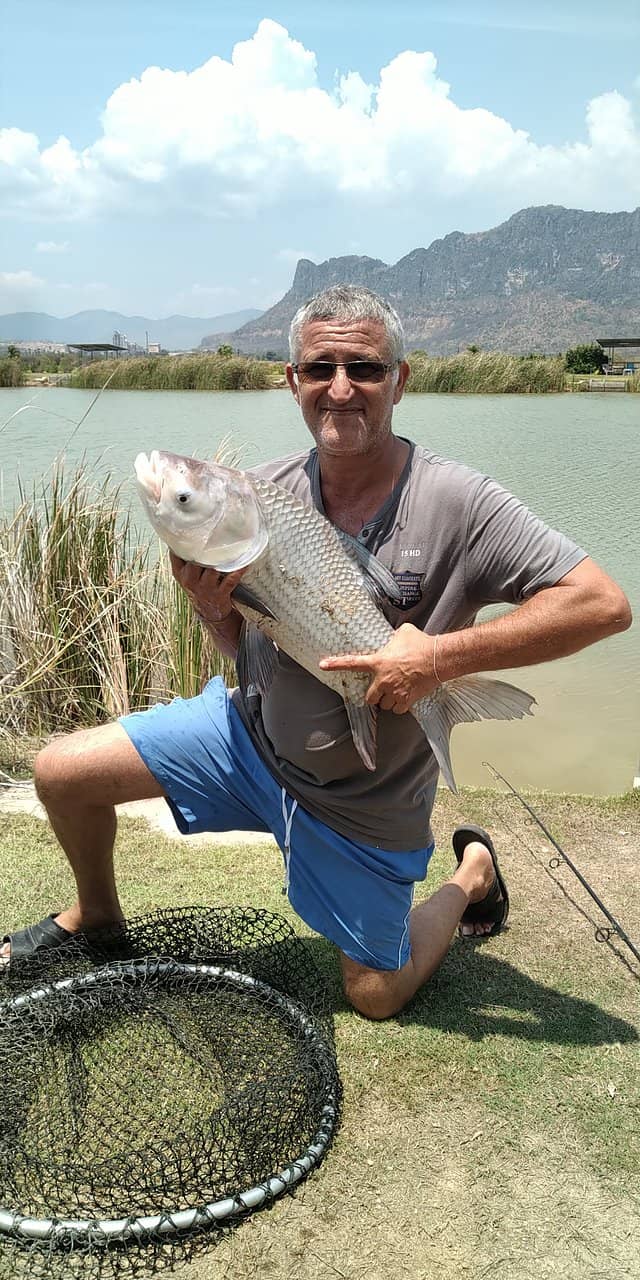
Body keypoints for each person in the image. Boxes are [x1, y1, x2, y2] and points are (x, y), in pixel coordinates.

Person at [1, 286, 631, 1019]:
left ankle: (473, 873)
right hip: (248, 742)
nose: (340, 388)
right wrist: (211, 609)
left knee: (375, 996)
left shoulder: (462, 501)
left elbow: (603, 605)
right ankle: (98, 916)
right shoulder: (257, 492)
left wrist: (438, 661)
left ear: (400, 379)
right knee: (60, 771)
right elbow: (244, 644)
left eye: (363, 368)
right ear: (291, 381)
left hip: (363, 800)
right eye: (318, 367)